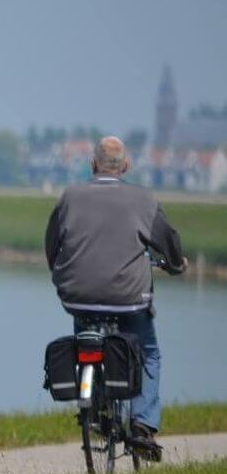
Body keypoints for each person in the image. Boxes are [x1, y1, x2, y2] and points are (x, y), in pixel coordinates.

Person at [45, 136, 186, 457]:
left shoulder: (69, 196)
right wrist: (177, 265)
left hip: (78, 295)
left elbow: (52, 242)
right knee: (148, 353)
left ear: (93, 165)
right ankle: (142, 426)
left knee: (87, 338)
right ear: (125, 166)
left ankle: (93, 403)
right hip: (129, 298)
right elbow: (168, 242)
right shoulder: (143, 200)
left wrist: (59, 271)